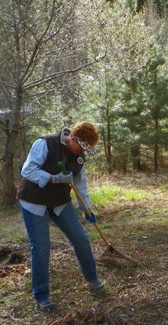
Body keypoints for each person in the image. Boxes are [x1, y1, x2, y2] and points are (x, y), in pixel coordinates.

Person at [16, 121, 108, 311]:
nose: (82, 151)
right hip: (33, 200)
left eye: (87, 148)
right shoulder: (45, 143)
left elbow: (81, 186)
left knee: (81, 238)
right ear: (73, 137)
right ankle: (42, 295)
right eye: (82, 145)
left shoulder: (79, 158)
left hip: (59, 202)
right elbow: (27, 170)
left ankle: (93, 279)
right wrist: (53, 178)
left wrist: (87, 210)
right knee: (41, 248)